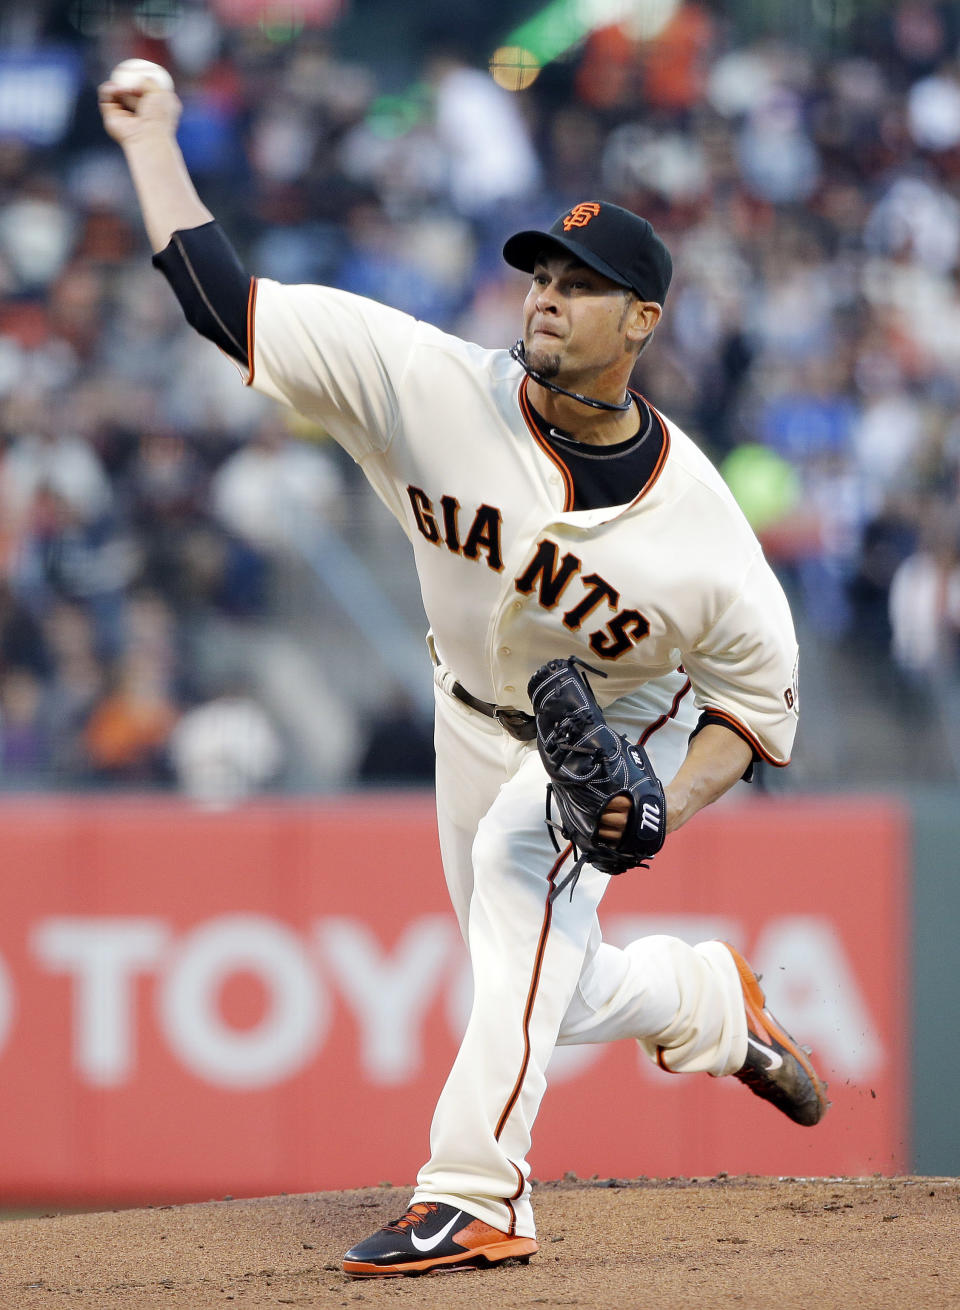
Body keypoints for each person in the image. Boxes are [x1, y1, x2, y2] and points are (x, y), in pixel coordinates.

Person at [100, 73, 827, 1280]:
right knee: (549, 972)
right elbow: (221, 301)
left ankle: (477, 1189)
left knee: (518, 865)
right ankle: (705, 1000)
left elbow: (758, 701)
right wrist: (154, 143)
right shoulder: (432, 384)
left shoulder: (705, 535)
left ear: (642, 321)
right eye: (541, 275)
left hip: (600, 741)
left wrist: (658, 804)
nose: (548, 298)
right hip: (463, 709)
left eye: (581, 285)